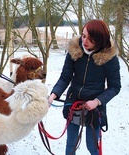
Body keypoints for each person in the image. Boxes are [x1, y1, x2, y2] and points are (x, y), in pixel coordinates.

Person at [48, 19, 121, 155]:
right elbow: (65, 77)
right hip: (73, 104)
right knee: (71, 145)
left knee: (92, 147)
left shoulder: (109, 58)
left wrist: (97, 101)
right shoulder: (74, 51)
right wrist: (53, 95)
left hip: (94, 109)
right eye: (83, 35)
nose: (85, 41)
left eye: (90, 39)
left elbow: (115, 87)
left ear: (99, 40)